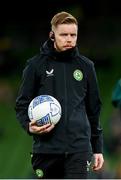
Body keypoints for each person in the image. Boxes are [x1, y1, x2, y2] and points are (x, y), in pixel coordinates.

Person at [15, 11, 104, 179]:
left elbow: (94, 109)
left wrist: (97, 148)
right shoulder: (35, 66)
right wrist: (29, 126)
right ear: (52, 35)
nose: (69, 39)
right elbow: (21, 104)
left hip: (79, 149)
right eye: (63, 34)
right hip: (46, 150)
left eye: (73, 35)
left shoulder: (86, 66)